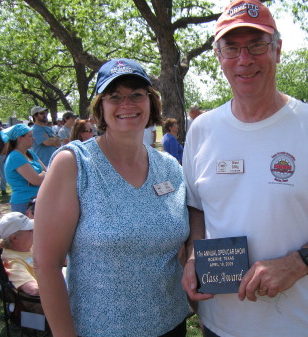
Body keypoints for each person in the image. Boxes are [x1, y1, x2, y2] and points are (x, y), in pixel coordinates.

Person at [181, 1, 308, 336]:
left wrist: (298, 263)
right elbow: (197, 209)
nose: (244, 59)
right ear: (218, 56)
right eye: (231, 48)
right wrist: (192, 257)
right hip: (222, 324)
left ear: (277, 50)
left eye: (257, 45)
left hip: (305, 324)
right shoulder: (202, 130)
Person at [33, 58, 190, 337]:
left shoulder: (170, 168)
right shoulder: (74, 164)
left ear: (151, 103)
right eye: (114, 96)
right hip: (101, 329)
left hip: (172, 323)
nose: (127, 104)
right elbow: (46, 264)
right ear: (100, 109)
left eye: (137, 95)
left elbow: (181, 246)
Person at [1, 124, 46, 214]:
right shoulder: (15, 156)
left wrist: (42, 174)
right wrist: (43, 174)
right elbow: (36, 180)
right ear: (19, 139)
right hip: (24, 203)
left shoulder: (30, 153)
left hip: (38, 199)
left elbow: (47, 170)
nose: (33, 138)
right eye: (29, 136)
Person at [0, 212, 38, 296]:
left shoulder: (28, 247)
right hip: (39, 302)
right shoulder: (11, 261)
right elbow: (33, 290)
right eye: (30, 230)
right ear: (15, 238)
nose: (34, 231)